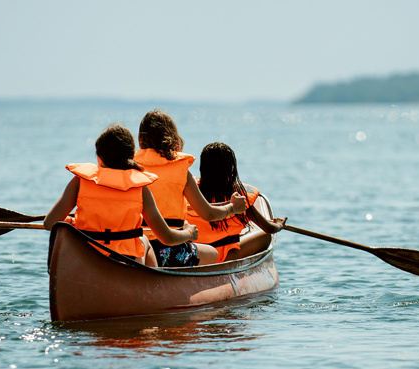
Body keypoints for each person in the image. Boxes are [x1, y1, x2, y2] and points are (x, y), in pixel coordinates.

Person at [44, 124, 198, 267]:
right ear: (131, 156)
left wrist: (71, 222)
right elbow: (167, 237)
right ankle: (153, 290)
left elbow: (49, 223)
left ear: (99, 157)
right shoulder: (140, 188)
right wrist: (189, 233)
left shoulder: (79, 182)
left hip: (86, 256)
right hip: (125, 259)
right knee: (144, 240)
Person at [135, 109, 246, 267]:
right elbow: (208, 213)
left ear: (140, 138)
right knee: (212, 254)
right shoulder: (181, 171)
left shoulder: (130, 168)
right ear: (172, 137)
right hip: (168, 250)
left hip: (137, 247)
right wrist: (233, 208)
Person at [187, 142, 285, 263]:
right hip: (227, 256)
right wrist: (279, 225)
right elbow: (269, 228)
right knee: (265, 237)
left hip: (200, 253)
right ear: (231, 167)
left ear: (203, 167)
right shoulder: (238, 197)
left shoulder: (190, 193)